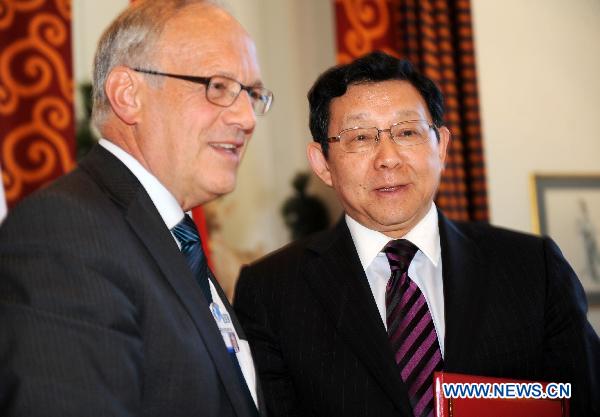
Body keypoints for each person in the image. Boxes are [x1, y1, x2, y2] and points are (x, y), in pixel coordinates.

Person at [234, 51, 600, 417]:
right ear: (322, 163)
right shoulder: (272, 292)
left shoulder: (532, 269)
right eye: (361, 137)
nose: (388, 158)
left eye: (407, 132)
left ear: (441, 147)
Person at [0, 1, 273, 416]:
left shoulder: (172, 239)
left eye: (252, 94)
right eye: (218, 86)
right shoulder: (65, 232)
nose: (247, 117)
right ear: (128, 95)